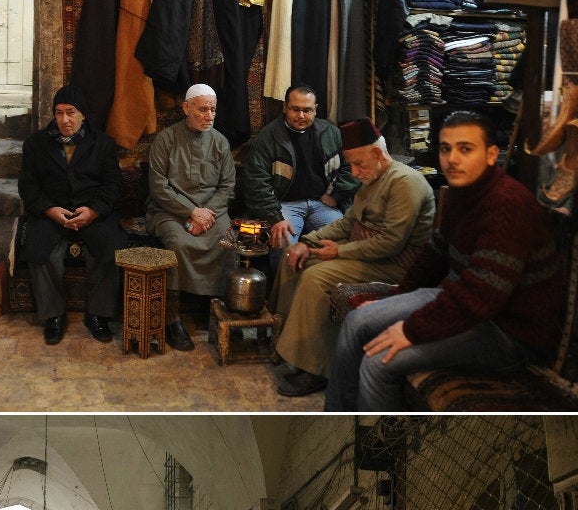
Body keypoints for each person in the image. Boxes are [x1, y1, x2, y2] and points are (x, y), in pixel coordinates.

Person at [325, 110, 567, 411]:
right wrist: (395, 299)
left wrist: (411, 329)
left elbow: (480, 297)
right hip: (461, 299)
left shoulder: (507, 204)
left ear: (492, 154)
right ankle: (341, 417)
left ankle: (379, 444)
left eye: (466, 149)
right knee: (357, 320)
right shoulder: (463, 195)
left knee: (379, 361)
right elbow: (434, 255)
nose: (452, 159)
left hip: (508, 331)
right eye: (445, 148)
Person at [270, 117, 436, 397]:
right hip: (365, 254)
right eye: (351, 165)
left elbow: (391, 243)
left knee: (316, 277)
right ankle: (288, 347)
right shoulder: (372, 178)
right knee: (293, 256)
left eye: (359, 164)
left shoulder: (405, 182)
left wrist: (339, 251)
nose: (355, 172)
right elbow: (348, 224)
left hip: (394, 266)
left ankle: (316, 369)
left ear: (377, 153)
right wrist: (306, 242)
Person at [18, 84, 127, 346]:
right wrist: (49, 209)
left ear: (83, 115)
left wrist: (93, 211)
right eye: (59, 113)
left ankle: (98, 315)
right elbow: (28, 186)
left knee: (109, 247)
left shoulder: (103, 144)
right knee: (39, 249)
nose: (64, 119)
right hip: (51, 213)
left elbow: (113, 186)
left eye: (71, 112)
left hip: (91, 213)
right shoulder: (36, 145)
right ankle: (54, 316)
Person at [146, 83, 236, 351]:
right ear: (186, 108)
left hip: (212, 212)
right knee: (178, 244)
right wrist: (190, 212)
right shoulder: (166, 139)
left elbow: (227, 186)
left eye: (213, 110)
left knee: (227, 241)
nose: (209, 116)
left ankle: (220, 313)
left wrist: (205, 215)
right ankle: (173, 320)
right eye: (202, 109)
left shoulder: (220, 142)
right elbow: (159, 187)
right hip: (170, 211)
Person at [242, 84, 360, 250]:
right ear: (285, 107)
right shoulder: (268, 137)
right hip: (284, 205)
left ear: (316, 109)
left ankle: (319, 276)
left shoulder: (331, 133)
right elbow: (256, 182)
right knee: (283, 244)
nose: (301, 115)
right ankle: (287, 277)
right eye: (295, 109)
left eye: (307, 110)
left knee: (341, 241)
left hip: (323, 203)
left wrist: (336, 194)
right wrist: (275, 218)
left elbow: (352, 166)